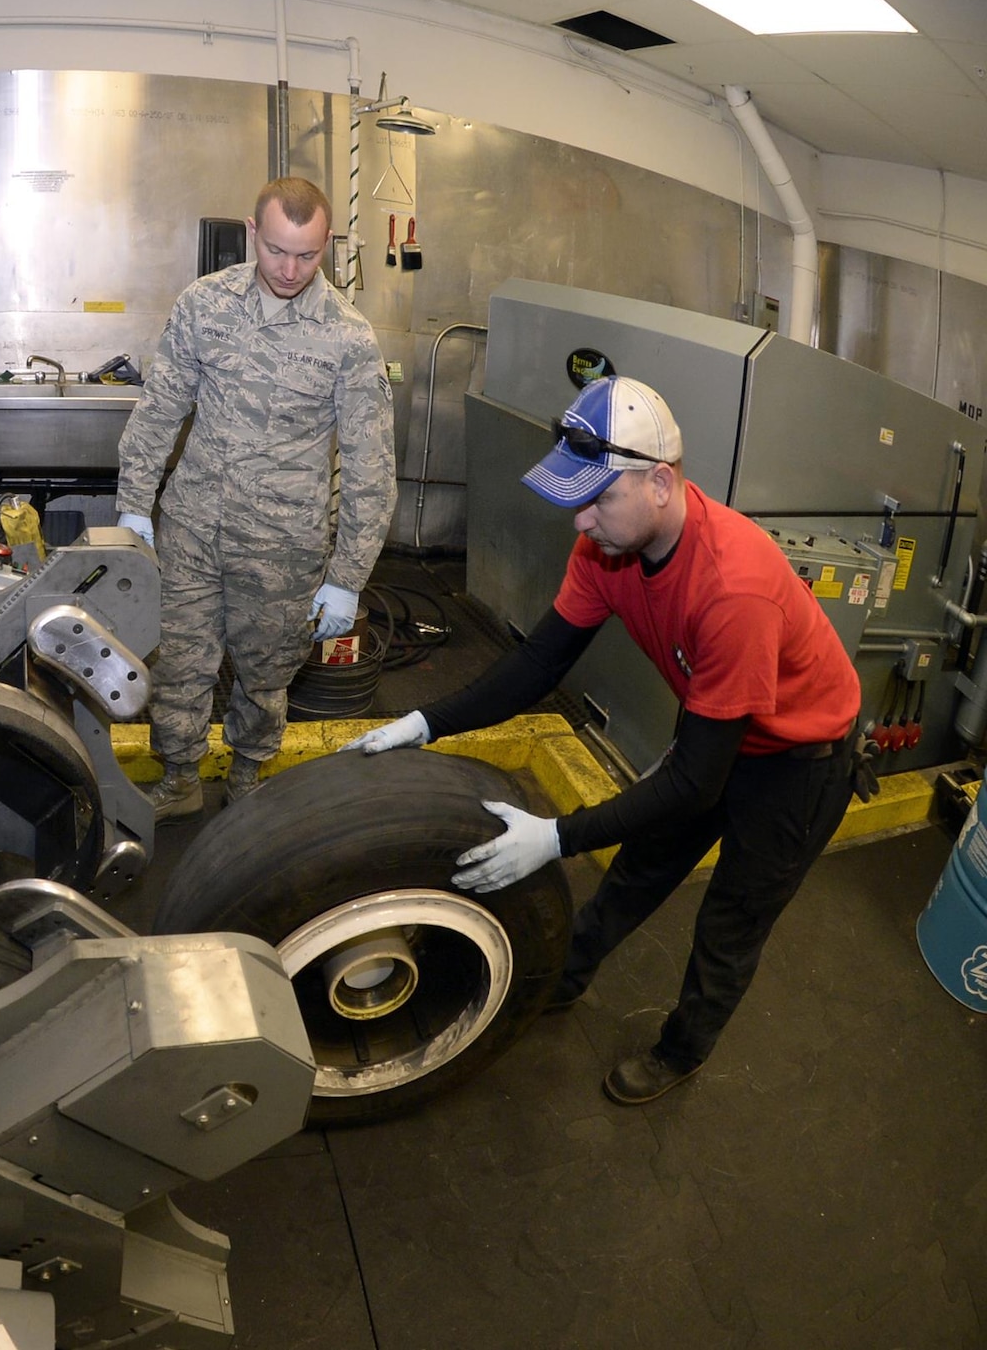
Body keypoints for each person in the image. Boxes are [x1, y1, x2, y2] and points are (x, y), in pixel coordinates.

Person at [343, 375, 862, 1105]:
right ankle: (566, 977)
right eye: (575, 498)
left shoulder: (731, 589)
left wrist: (556, 836)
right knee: (642, 866)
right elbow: (536, 662)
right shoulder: (605, 550)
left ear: (660, 482)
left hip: (798, 763)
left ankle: (680, 1050)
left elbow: (696, 785)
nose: (581, 521)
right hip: (721, 730)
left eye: (599, 498)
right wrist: (427, 722)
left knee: (732, 919)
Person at [115, 176, 396, 821]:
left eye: (307, 254)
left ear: (327, 245)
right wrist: (135, 505)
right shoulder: (204, 305)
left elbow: (370, 468)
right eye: (276, 250)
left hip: (283, 548)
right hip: (189, 530)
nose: (290, 269)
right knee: (178, 664)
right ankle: (180, 778)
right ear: (251, 232)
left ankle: (247, 779)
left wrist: (348, 578)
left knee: (265, 677)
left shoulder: (349, 339)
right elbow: (161, 409)